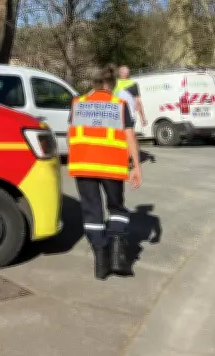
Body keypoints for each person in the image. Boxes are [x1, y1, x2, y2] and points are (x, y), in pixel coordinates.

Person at [68, 63, 143, 280]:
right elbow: (130, 135)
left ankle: (101, 263)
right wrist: (137, 166)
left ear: (94, 84)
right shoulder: (118, 105)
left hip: (83, 166)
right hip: (111, 166)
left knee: (92, 212)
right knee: (117, 208)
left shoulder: (78, 104)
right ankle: (119, 258)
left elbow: (71, 134)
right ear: (111, 85)